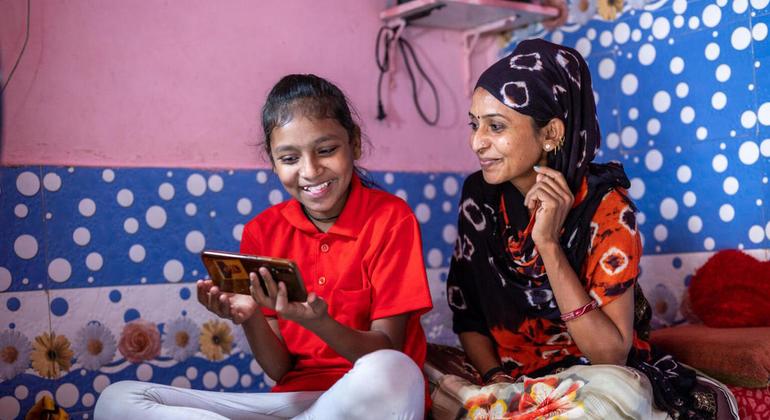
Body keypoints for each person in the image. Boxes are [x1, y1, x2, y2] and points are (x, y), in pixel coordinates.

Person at [95, 74, 433, 419]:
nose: (311, 170)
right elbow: (280, 369)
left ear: (355, 144)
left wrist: (319, 322)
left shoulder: (391, 219)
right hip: (296, 402)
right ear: (272, 162)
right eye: (289, 159)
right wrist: (251, 316)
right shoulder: (263, 231)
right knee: (118, 399)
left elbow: (385, 350)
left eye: (327, 150)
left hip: (365, 399)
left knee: (393, 370)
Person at [446, 39, 737, 419]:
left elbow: (609, 354)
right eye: (474, 124)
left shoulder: (606, 209)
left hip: (592, 378)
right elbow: (468, 316)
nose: (477, 142)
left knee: (592, 407)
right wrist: (497, 381)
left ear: (551, 133)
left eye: (496, 126)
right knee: (426, 379)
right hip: (506, 378)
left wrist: (548, 245)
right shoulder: (480, 197)